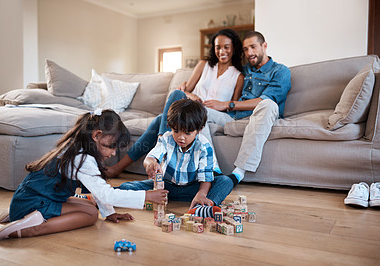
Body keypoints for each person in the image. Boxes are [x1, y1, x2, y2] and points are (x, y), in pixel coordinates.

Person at [0, 109, 168, 241]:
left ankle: (20, 213)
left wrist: (109, 213)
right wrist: (146, 195)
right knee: (90, 215)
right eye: (111, 146)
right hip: (34, 200)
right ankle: (32, 228)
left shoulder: (77, 147)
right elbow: (107, 194)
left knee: (89, 204)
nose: (114, 153)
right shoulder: (83, 159)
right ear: (97, 135)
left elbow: (99, 192)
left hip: (30, 196)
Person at [105, 28, 245, 178]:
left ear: (234, 48)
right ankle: (156, 141)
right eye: (218, 47)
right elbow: (185, 90)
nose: (222, 51)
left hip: (214, 114)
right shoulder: (205, 65)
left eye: (226, 47)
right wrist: (192, 97)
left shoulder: (238, 75)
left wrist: (221, 104)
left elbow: (232, 105)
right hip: (192, 109)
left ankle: (155, 147)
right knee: (175, 97)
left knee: (160, 120)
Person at [117, 99, 234, 218]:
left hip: (193, 189)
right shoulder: (166, 139)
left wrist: (201, 194)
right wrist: (151, 164)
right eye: (176, 131)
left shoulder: (204, 146)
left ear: (199, 130)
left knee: (225, 181)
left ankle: (201, 206)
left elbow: (206, 177)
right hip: (165, 187)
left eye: (187, 133)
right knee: (129, 186)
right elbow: (150, 158)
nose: (181, 138)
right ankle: (106, 197)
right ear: (170, 127)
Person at [204, 31, 291, 187]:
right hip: (234, 118)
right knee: (198, 111)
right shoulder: (243, 71)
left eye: (253, 47)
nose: (249, 53)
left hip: (260, 117)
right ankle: (213, 168)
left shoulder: (280, 71)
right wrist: (187, 87)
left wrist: (227, 104)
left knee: (269, 103)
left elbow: (264, 100)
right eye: (245, 49)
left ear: (264, 46)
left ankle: (238, 173)